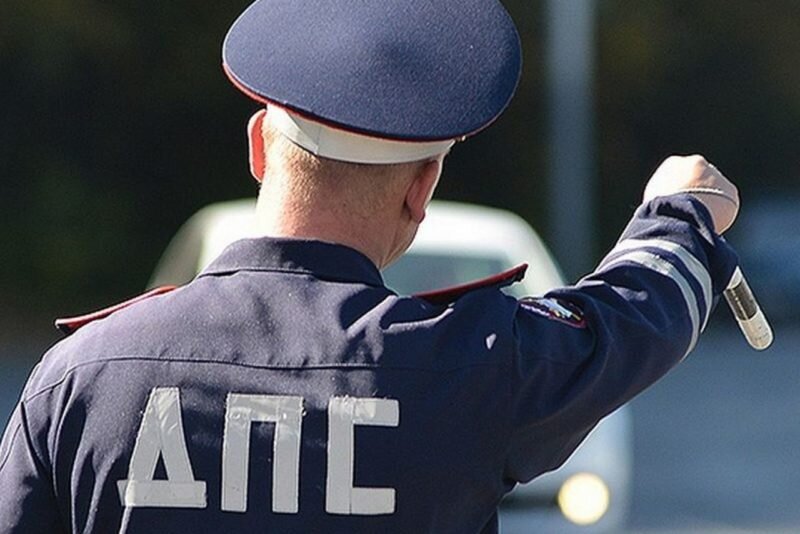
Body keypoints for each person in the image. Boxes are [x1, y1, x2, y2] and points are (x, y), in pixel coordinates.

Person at [0, 0, 740, 532]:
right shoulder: (470, 368)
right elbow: (632, 319)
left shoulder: (81, 379)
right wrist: (680, 214)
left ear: (258, 146)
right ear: (422, 188)